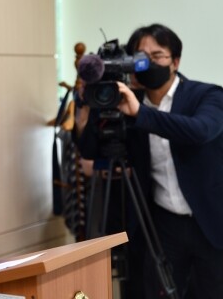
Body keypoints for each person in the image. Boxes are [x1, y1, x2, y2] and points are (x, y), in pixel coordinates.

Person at [78, 23, 223, 298]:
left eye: (157, 56)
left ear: (175, 61)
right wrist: (93, 101)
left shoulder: (207, 95)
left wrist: (140, 113)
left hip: (212, 221)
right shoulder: (127, 102)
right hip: (163, 224)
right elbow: (89, 150)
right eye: (141, 58)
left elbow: (200, 131)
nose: (149, 63)